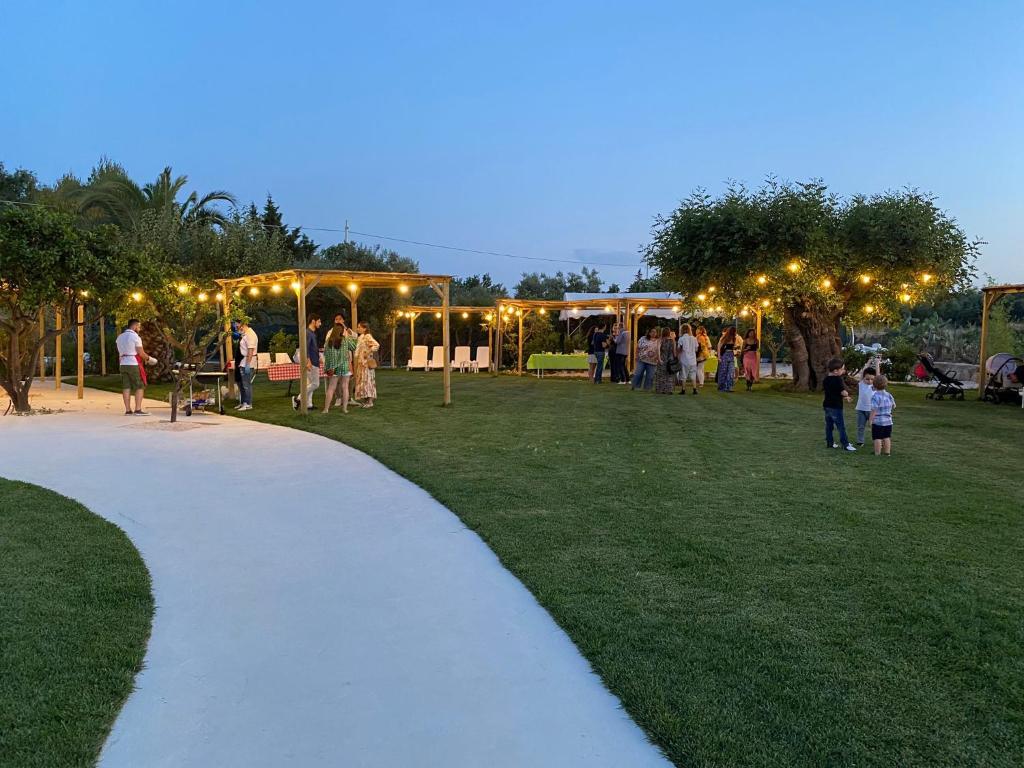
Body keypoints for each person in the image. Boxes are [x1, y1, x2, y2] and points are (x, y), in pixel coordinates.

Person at [115, 319, 156, 416]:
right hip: (133, 363)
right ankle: (138, 410)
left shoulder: (119, 337)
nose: (140, 328)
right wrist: (150, 359)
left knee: (126, 386)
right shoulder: (135, 337)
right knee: (139, 386)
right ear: (135, 326)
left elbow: (120, 352)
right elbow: (141, 353)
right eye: (139, 326)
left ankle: (128, 410)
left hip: (123, 363)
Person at [322, 321, 358, 414]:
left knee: (331, 388)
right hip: (345, 366)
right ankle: (345, 409)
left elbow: (325, 354)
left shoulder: (328, 341)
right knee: (345, 387)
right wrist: (348, 335)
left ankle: (326, 409)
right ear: (342, 331)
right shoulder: (345, 340)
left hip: (333, 367)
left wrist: (328, 367)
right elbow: (354, 346)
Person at [823, 357, 856, 451]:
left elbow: (833, 391)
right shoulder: (838, 379)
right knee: (841, 426)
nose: (844, 370)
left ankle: (830, 443)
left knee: (829, 426)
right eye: (842, 369)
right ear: (836, 371)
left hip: (827, 406)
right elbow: (842, 391)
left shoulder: (826, 379)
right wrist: (847, 395)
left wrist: (844, 396)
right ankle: (845, 444)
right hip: (836, 407)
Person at [292, 314, 322, 411]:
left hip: (314, 361)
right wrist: (308, 361)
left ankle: (309, 404)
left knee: (310, 383)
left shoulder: (312, 333)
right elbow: (305, 348)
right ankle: (298, 399)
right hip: (311, 362)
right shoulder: (308, 333)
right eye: (319, 321)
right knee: (315, 384)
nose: (320, 324)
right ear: (313, 321)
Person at [354, 321, 381, 407]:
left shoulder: (368, 336)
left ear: (364, 328)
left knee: (368, 381)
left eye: (359, 327)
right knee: (363, 381)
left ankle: (370, 401)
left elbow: (376, 345)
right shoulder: (361, 337)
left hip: (366, 363)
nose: (358, 329)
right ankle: (366, 400)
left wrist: (368, 351)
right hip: (361, 363)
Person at [869, 374, 896, 456]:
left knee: (877, 437)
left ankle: (877, 453)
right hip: (888, 421)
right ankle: (887, 452)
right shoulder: (889, 395)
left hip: (878, 421)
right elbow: (894, 405)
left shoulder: (875, 396)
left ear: (874, 385)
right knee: (886, 437)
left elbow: (874, 410)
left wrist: (870, 420)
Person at [235, 319, 258, 411]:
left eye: (237, 326)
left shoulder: (250, 334)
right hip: (243, 361)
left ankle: (248, 403)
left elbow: (250, 350)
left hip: (248, 362)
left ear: (243, 324)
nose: (236, 328)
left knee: (246, 384)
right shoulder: (244, 334)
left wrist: (247, 364)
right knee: (242, 383)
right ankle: (243, 402)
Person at [853, 362, 878, 446]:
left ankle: (877, 441)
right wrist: (868, 362)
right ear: (863, 378)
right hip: (861, 410)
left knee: (875, 427)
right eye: (867, 379)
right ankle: (860, 441)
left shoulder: (875, 386)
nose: (870, 381)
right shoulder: (861, 384)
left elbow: (877, 375)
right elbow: (862, 371)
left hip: (872, 411)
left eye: (872, 379)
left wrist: (877, 363)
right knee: (860, 427)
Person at [677, 324, 699, 395]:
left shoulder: (681, 339)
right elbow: (696, 349)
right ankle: (694, 389)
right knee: (693, 374)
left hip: (684, 359)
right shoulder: (694, 338)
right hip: (693, 359)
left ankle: (683, 390)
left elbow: (679, 349)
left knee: (684, 375)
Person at [654, 327, 676, 394]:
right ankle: (669, 390)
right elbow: (674, 352)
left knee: (661, 375)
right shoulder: (672, 341)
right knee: (669, 375)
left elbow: (658, 350)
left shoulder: (660, 340)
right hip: (670, 359)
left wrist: (659, 359)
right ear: (669, 333)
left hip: (663, 359)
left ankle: (661, 389)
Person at [716, 326, 738, 392]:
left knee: (731, 371)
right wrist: (719, 357)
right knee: (723, 371)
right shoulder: (724, 338)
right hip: (725, 355)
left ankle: (729, 387)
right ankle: (722, 387)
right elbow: (719, 347)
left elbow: (732, 347)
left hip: (731, 355)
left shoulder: (734, 338)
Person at [694, 325, 711, 391]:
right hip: (705, 354)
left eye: (697, 329)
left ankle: (701, 382)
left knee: (699, 369)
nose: (696, 331)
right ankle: (701, 382)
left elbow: (697, 347)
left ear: (700, 331)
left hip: (701, 355)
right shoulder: (706, 337)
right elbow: (709, 346)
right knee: (701, 369)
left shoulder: (699, 337)